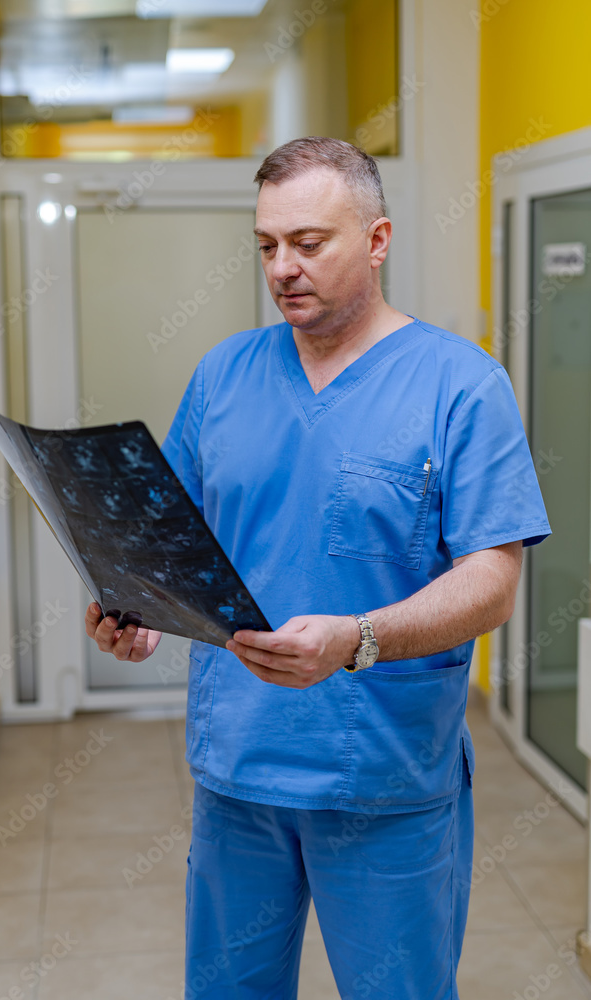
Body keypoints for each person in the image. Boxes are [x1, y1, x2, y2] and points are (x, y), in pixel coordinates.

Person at [85, 136, 551, 999]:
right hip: (239, 771)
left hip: (381, 776)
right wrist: (137, 612)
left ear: (375, 240)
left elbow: (492, 582)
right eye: (266, 246)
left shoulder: (460, 386)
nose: (282, 268)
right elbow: (173, 540)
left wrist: (360, 637)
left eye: (308, 243)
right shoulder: (224, 375)